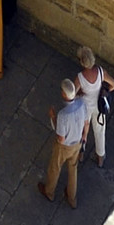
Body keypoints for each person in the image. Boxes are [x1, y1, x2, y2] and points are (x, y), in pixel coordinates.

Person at [38, 78, 90, 206]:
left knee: (55, 168)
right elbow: (86, 123)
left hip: (64, 147)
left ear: (63, 94)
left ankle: (49, 192)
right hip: (77, 143)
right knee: (73, 170)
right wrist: (84, 137)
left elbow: (60, 138)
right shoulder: (82, 104)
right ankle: (72, 198)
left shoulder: (63, 115)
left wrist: (53, 117)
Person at [75, 44, 114, 168]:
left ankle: (81, 155)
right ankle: (100, 158)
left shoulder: (80, 78)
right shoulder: (101, 72)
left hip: (84, 108)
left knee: (83, 132)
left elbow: (71, 94)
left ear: (82, 62)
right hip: (99, 106)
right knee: (100, 132)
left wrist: (79, 93)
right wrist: (105, 91)